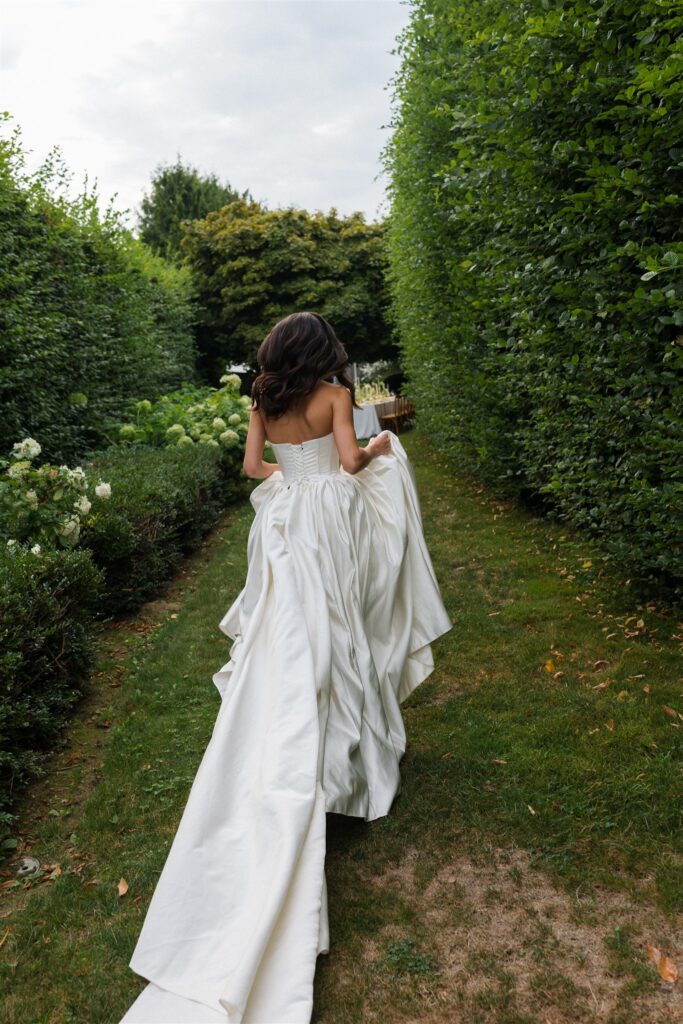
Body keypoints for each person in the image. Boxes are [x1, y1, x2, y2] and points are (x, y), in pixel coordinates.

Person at [119, 311, 452, 1023]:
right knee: (342, 626)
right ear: (320, 353)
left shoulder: (261, 401)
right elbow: (353, 461)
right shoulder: (335, 396)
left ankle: (313, 729)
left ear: (274, 354)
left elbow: (250, 469)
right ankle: (345, 747)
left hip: (289, 520)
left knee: (293, 629)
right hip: (331, 518)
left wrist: (289, 477)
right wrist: (380, 440)